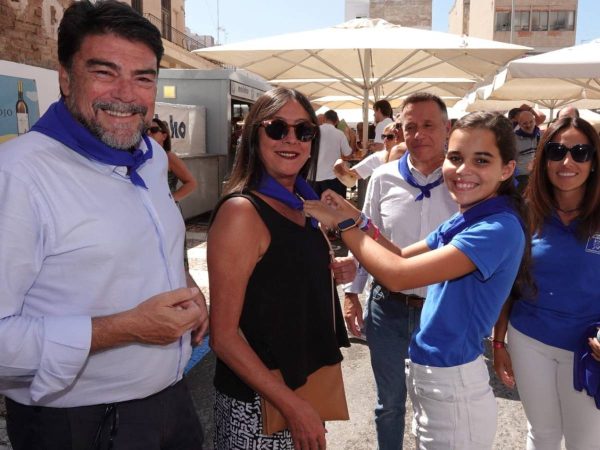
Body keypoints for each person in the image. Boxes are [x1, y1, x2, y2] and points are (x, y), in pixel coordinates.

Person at [0, 2, 208, 449]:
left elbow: (147, 243)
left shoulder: (148, 157)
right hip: (79, 425)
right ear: (65, 76)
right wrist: (125, 328)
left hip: (171, 401)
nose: (127, 94)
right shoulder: (17, 176)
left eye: (143, 77)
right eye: (105, 72)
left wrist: (187, 285)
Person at [305, 111, 531, 449]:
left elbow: (397, 275)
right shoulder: (467, 218)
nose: (464, 170)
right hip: (439, 378)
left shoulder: (495, 228)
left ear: (507, 169)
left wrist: (343, 226)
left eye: (481, 160)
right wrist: (353, 215)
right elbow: (399, 254)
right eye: (456, 158)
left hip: (454, 385)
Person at [208, 87, 355, 450]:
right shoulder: (242, 212)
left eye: (303, 131)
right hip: (260, 403)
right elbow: (223, 336)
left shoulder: (303, 203)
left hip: (305, 388)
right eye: (277, 128)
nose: (291, 139)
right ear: (255, 137)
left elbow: (277, 277)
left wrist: (327, 271)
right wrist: (293, 407)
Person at [342, 92, 457, 450]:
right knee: (389, 404)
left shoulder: (464, 183)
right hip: (386, 309)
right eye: (410, 126)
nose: (418, 134)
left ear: (447, 129)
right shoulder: (382, 178)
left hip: (441, 311)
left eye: (428, 125)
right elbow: (368, 238)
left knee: (439, 405)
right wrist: (351, 293)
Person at [493, 116, 600, 449]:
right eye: (556, 151)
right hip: (529, 340)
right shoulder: (523, 213)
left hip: (588, 350)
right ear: (542, 160)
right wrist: (498, 343)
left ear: (594, 161)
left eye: (580, 152)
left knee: (586, 441)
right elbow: (507, 285)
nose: (567, 161)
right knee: (542, 433)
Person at [333, 120, 406, 186]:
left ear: (399, 137)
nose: (385, 140)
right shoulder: (379, 157)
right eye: (383, 136)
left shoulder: (411, 159)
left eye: (390, 137)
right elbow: (351, 176)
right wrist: (339, 165)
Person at [147, 118, 198, 202]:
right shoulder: (144, 157)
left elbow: (191, 183)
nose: (149, 133)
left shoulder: (169, 157)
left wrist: (170, 200)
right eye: (146, 130)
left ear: (164, 136)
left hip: (166, 210)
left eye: (154, 130)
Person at [314, 109, 353, 197]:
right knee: (335, 207)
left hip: (314, 176)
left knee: (317, 207)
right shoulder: (339, 134)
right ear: (336, 122)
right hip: (333, 176)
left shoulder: (315, 131)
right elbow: (348, 154)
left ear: (324, 119)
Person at [514, 110, 542, 190]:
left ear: (535, 121)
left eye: (531, 122)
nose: (528, 125)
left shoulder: (540, 135)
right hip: (521, 176)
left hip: (537, 174)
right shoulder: (514, 139)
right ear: (519, 124)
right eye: (525, 123)